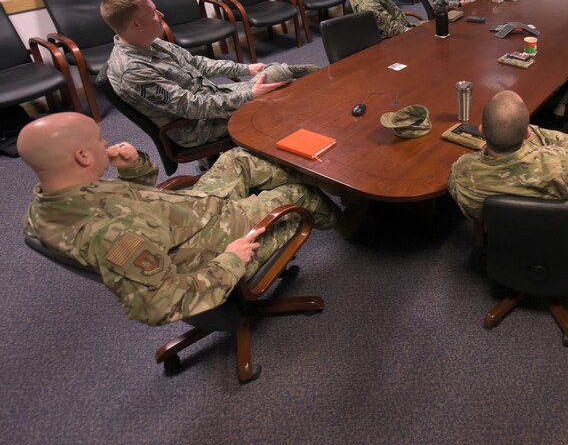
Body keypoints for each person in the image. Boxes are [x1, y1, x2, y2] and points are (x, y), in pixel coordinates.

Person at [19, 112, 354, 326]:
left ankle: (341, 181)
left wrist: (134, 167)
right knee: (295, 194)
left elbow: (138, 208)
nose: (105, 143)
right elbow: (159, 304)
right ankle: (351, 223)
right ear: (81, 156)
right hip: (212, 243)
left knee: (238, 158)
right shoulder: (111, 236)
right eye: (98, 140)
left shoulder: (52, 200)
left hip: (190, 210)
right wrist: (229, 263)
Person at [101, 0, 318, 149]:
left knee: (279, 74)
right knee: (282, 91)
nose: (161, 14)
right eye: (152, 12)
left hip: (212, 99)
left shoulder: (150, 42)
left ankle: (317, 74)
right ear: (135, 25)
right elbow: (191, 108)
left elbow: (198, 64)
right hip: (196, 126)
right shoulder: (133, 71)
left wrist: (247, 68)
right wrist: (248, 95)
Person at [448, 91, 568, 228]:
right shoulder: (565, 167)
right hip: (562, 243)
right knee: (543, 137)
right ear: (526, 134)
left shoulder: (461, 173)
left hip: (505, 246)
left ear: (481, 131)